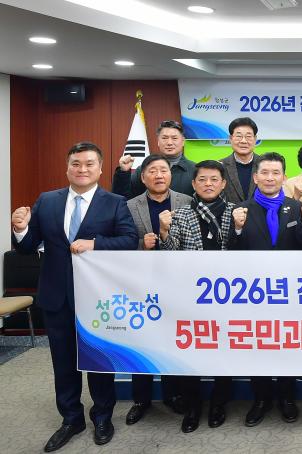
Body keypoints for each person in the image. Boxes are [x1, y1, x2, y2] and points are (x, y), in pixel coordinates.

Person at [11, 142, 138, 452]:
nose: (82, 169)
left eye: (89, 164)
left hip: (97, 298)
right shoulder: (47, 200)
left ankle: (102, 416)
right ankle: (71, 418)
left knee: (98, 360)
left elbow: (129, 240)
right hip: (56, 296)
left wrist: (95, 243)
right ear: (67, 168)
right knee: (63, 362)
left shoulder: (115, 202)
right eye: (76, 164)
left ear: (100, 168)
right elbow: (28, 246)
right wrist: (21, 229)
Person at [229, 152, 302, 427]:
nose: (270, 178)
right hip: (255, 293)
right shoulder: (241, 210)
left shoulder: (295, 207)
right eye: (264, 172)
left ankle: (287, 398)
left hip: (289, 292)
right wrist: (237, 229)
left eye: (276, 173)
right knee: (259, 346)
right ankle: (261, 399)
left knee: (287, 344)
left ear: (284, 177)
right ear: (255, 177)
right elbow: (230, 253)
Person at [158, 160, 237, 433]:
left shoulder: (235, 213)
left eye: (214, 179)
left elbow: (243, 253)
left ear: (223, 184)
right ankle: (193, 406)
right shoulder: (180, 214)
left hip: (226, 296)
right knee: (190, 352)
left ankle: (218, 403)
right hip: (190, 296)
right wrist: (164, 232)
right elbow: (170, 254)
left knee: (224, 352)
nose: (208, 184)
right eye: (202, 179)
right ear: (193, 184)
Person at [123, 154, 192, 425]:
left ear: (171, 175)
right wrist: (142, 243)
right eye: (152, 171)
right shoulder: (130, 205)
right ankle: (141, 399)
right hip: (142, 283)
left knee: (173, 341)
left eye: (163, 170)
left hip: (178, 284)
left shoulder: (186, 202)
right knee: (142, 341)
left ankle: (173, 394)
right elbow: (121, 240)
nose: (159, 175)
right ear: (143, 177)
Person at [112, 120, 197, 199]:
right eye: (164, 138)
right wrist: (123, 172)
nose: (169, 143)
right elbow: (122, 197)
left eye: (174, 138)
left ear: (183, 141)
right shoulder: (145, 169)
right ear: (158, 141)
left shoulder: (195, 170)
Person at [220, 117, 262, 204]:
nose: (243, 141)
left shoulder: (264, 165)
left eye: (248, 136)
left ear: (255, 139)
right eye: (239, 136)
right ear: (230, 138)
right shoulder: (220, 166)